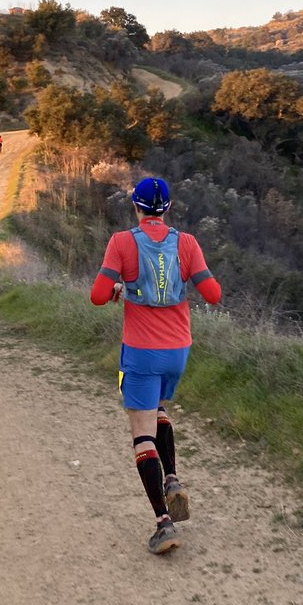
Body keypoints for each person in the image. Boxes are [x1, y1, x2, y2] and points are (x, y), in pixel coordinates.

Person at [90, 176, 222, 555]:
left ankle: (164, 524)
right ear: (168, 207)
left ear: (136, 206)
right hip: (178, 350)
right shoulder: (187, 243)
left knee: (142, 433)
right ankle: (172, 479)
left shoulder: (122, 242)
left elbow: (97, 296)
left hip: (141, 351)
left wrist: (122, 288)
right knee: (159, 408)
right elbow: (213, 294)